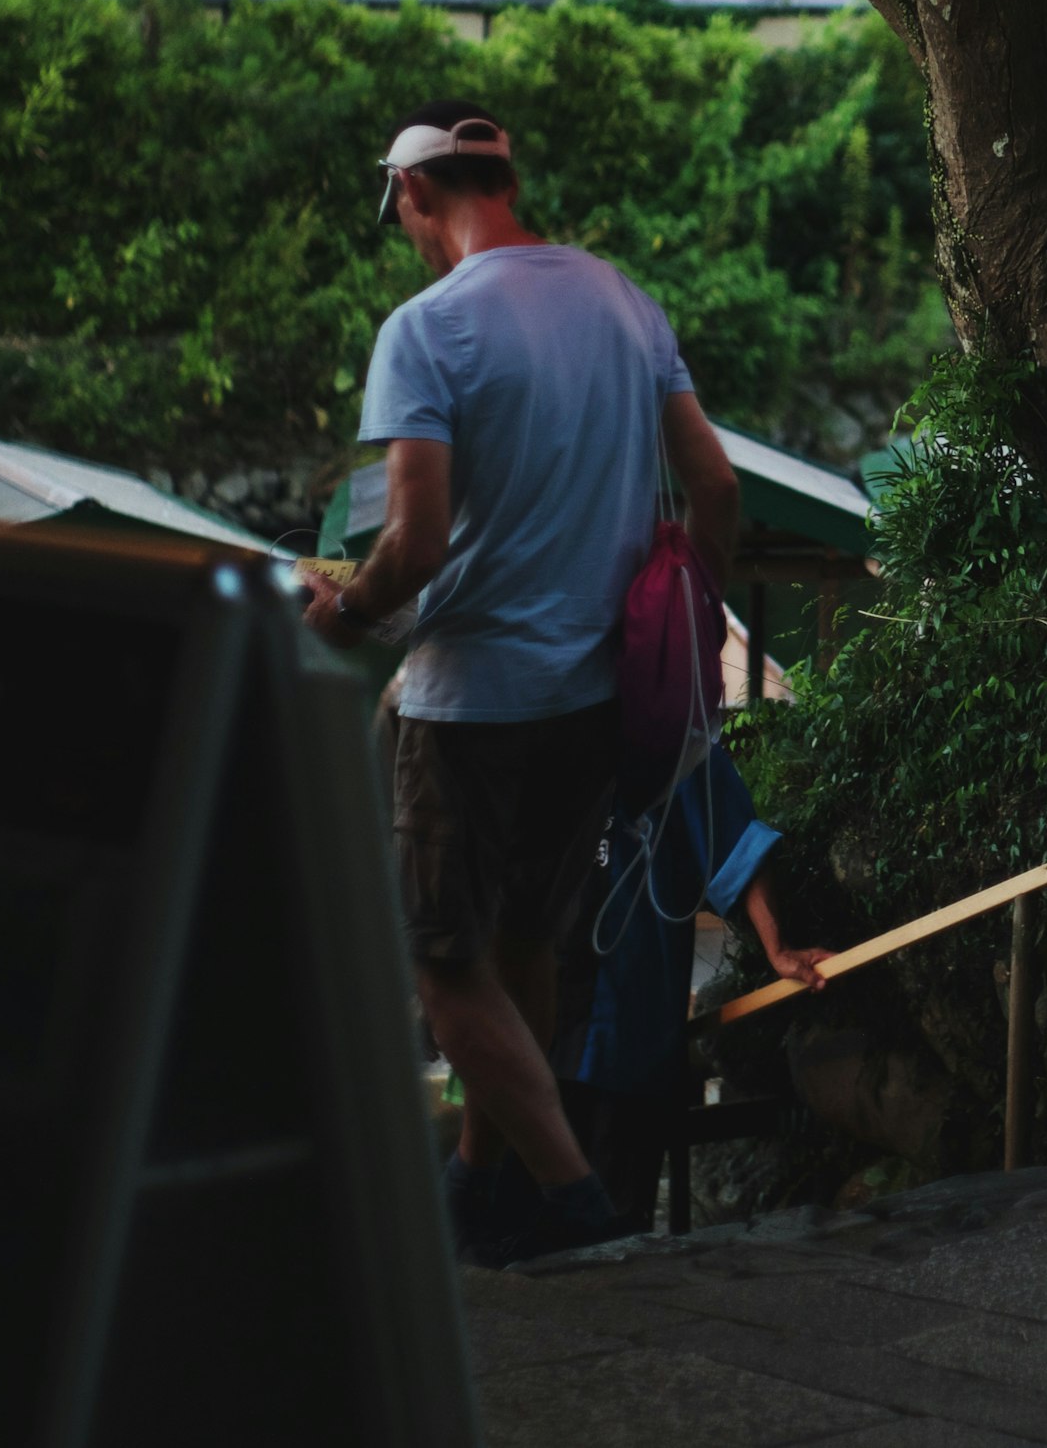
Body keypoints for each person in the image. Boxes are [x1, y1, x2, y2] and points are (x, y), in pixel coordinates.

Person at [303, 100, 743, 1262]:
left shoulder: (426, 329)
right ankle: (476, 1181)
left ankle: (572, 1197)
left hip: (468, 700)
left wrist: (344, 612)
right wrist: (684, 610)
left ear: (413, 195)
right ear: (502, 178)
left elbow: (417, 541)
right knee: (529, 950)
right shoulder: (621, 302)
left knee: (444, 967)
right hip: (594, 696)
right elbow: (718, 491)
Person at [554, 740, 824, 1234]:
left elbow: (737, 845)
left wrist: (777, 948)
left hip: (618, 1031)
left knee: (603, 1223)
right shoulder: (545, 724)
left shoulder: (674, 742)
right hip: (544, 1022)